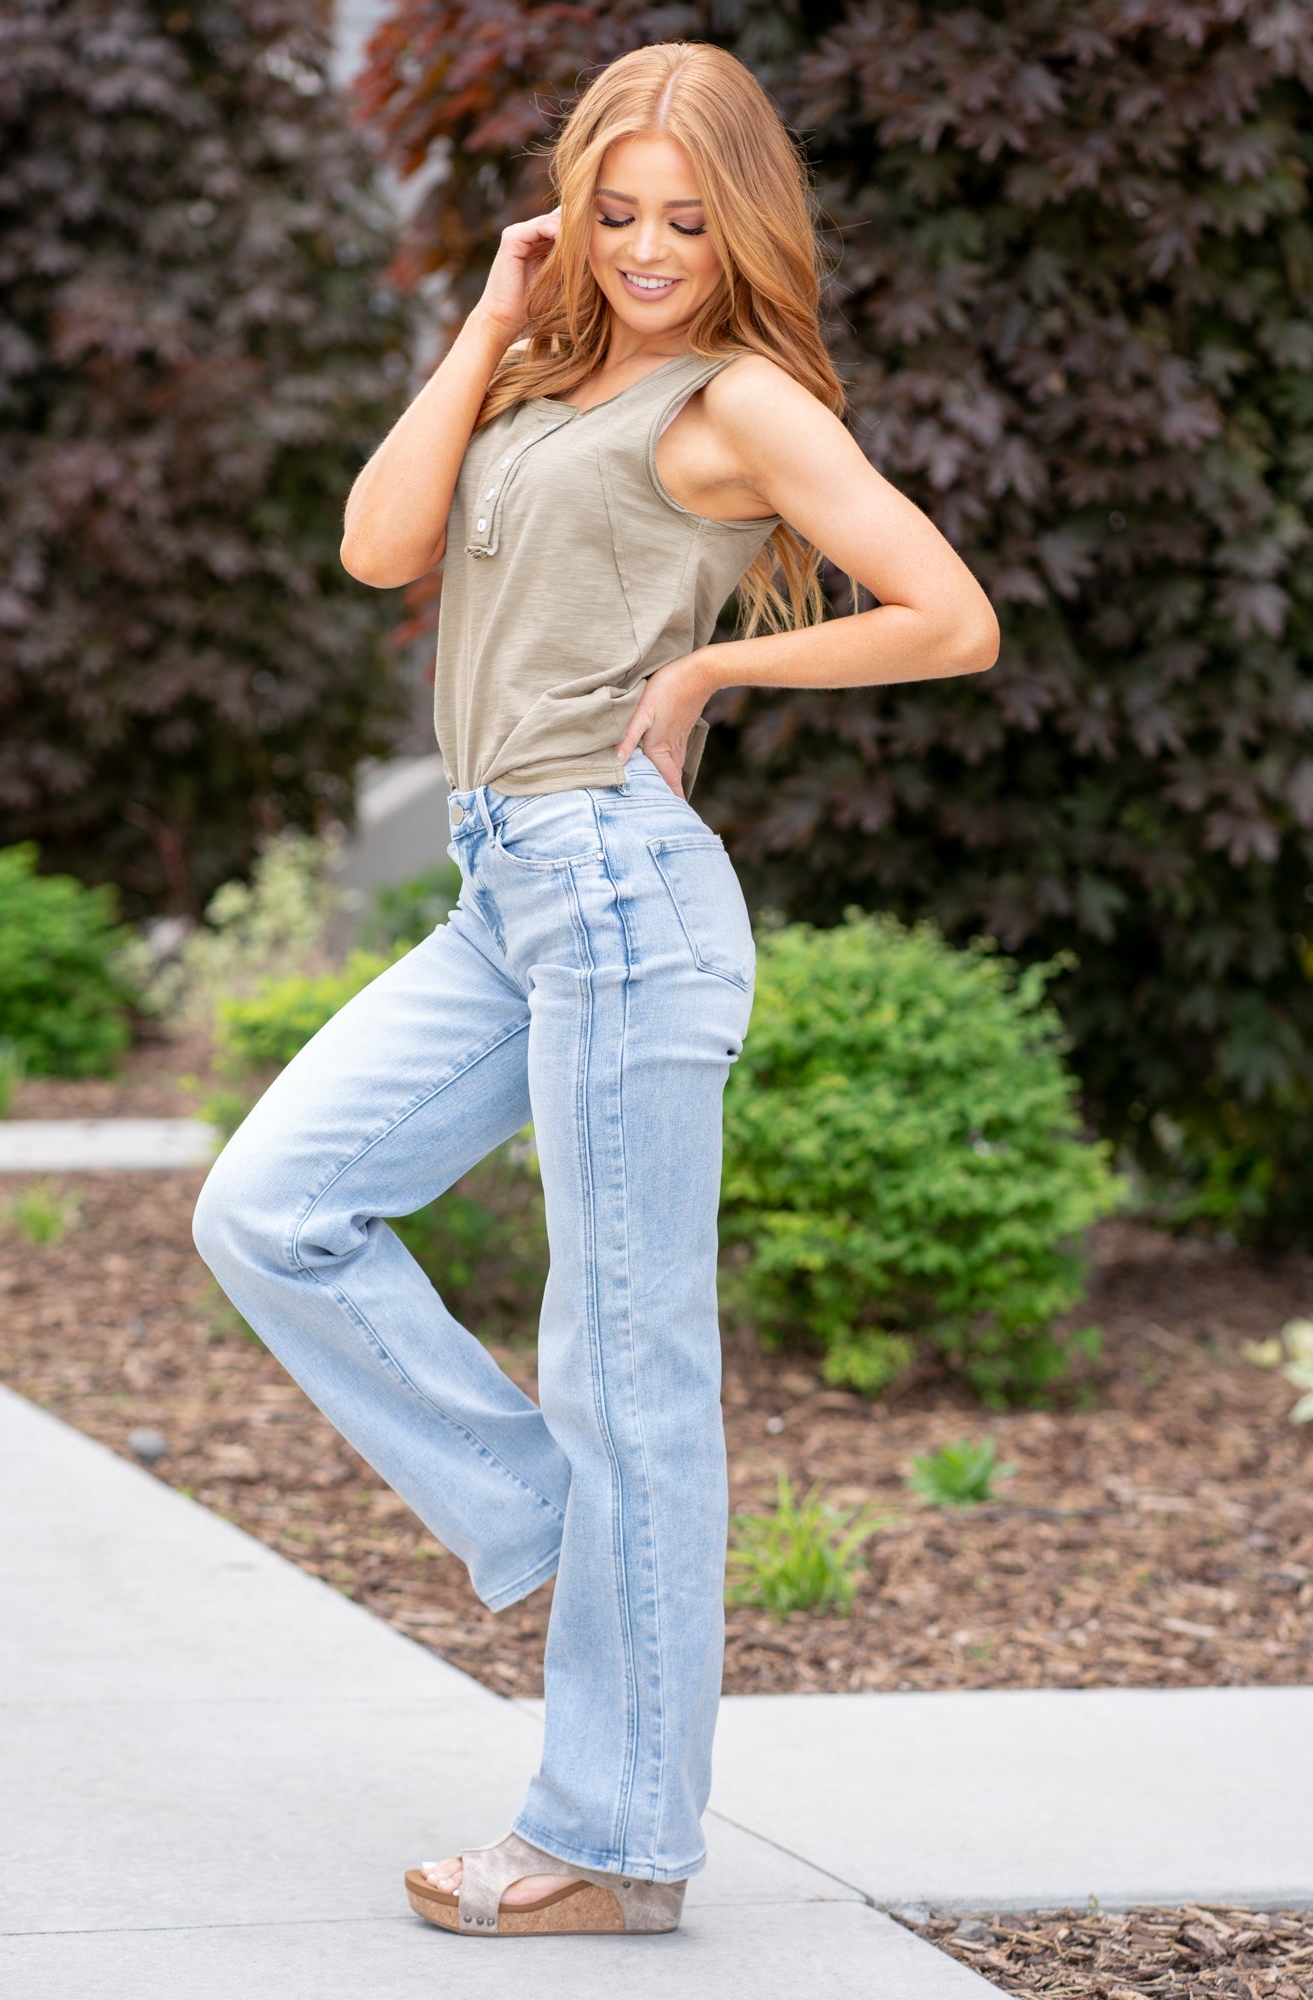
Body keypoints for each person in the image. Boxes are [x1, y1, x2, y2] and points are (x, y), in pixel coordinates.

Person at [191, 37, 999, 1942]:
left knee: (627, 1369)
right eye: (615, 212)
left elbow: (949, 617)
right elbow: (376, 544)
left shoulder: (739, 401)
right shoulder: (548, 372)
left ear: (741, 226)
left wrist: (712, 672)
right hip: (505, 893)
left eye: (685, 220)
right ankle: (566, 1525)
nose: (645, 249)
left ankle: (612, 1844)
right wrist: (489, 315)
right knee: (271, 1210)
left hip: (618, 890)